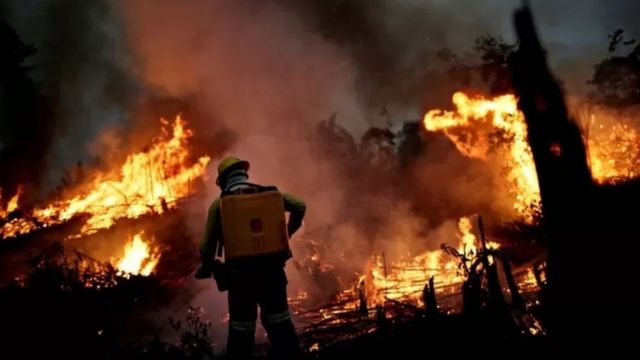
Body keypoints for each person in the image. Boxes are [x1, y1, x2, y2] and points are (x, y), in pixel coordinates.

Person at [195, 156, 306, 359]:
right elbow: (300, 206)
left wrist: (207, 266)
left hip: (240, 280)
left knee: (241, 331)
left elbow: (206, 246)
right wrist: (287, 234)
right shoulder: (270, 195)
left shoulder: (219, 204)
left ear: (223, 180)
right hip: (273, 274)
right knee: (280, 325)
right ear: (244, 174)